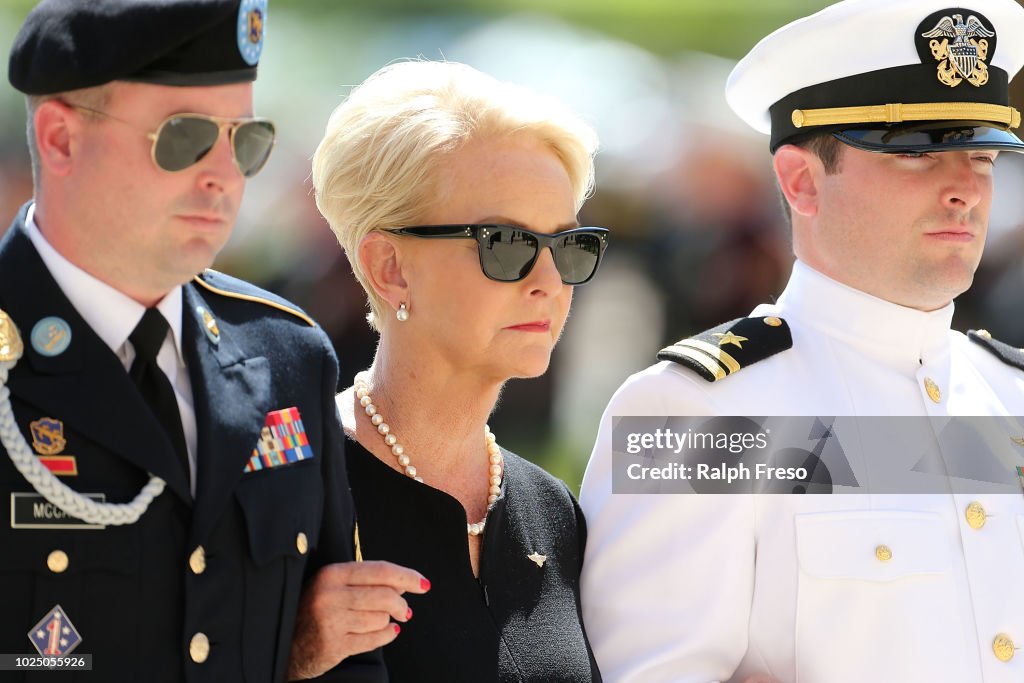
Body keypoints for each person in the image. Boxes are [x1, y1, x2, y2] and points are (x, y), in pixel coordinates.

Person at [579, 0, 1024, 681]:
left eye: (984, 155)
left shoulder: (1011, 394)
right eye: (919, 154)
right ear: (802, 181)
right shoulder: (692, 414)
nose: (966, 187)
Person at [0, 2, 426, 681]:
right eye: (185, 135)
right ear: (61, 139)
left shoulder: (287, 355)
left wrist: (297, 651)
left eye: (245, 139)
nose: (225, 175)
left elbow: (349, 659)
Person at [310, 60, 607, 682]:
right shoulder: (283, 485)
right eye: (507, 244)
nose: (549, 283)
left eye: (568, 245)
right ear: (390, 267)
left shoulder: (554, 509)